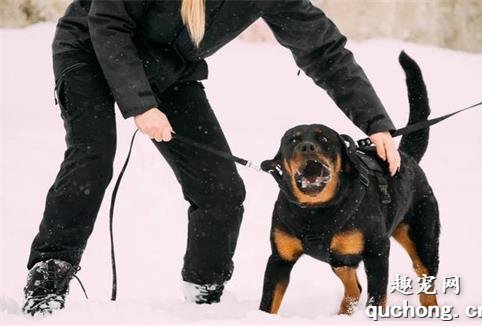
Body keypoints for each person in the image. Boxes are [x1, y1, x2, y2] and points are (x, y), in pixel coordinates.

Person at [23, 0, 401, 316]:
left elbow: (323, 50)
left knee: (220, 188)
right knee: (93, 154)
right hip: (89, 49)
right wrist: (140, 103)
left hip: (169, 71)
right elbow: (108, 19)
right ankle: (49, 273)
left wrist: (375, 122)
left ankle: (204, 298)